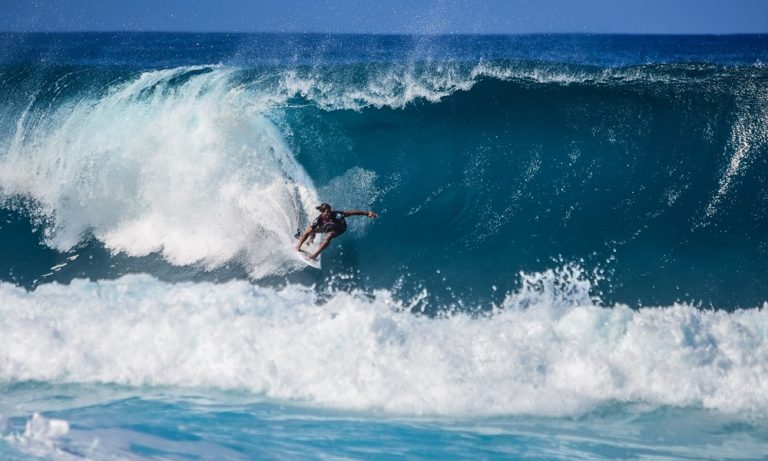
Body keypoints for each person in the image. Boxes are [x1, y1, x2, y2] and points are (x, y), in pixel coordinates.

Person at [295, 203, 378, 260]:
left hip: (340, 228)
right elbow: (308, 231)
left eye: (330, 211)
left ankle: (315, 255)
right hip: (327, 226)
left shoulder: (336, 215)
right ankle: (308, 241)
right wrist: (298, 247)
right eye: (327, 212)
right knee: (311, 231)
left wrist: (367, 213)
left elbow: (350, 213)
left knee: (329, 235)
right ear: (322, 212)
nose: (329, 213)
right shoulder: (318, 220)